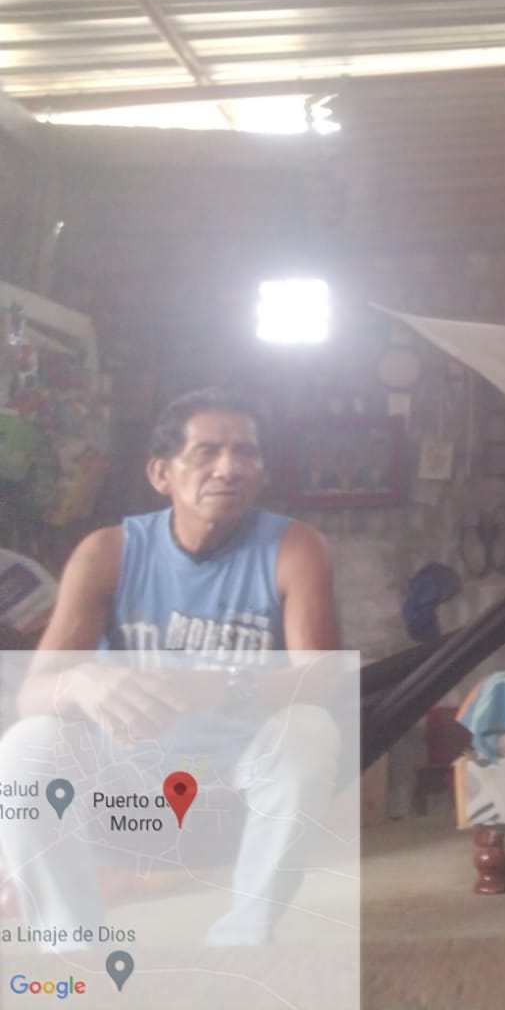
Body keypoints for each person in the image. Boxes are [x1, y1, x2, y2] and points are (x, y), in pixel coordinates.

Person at [0, 386, 343, 948]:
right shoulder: (107, 553)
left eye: (245, 452)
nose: (229, 467)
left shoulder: (294, 547)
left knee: (310, 729)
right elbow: (32, 694)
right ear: (161, 473)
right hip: (124, 777)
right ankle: (70, 944)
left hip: (235, 778)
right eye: (207, 452)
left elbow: (321, 679)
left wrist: (221, 687)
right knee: (27, 744)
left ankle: (245, 935)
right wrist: (82, 683)